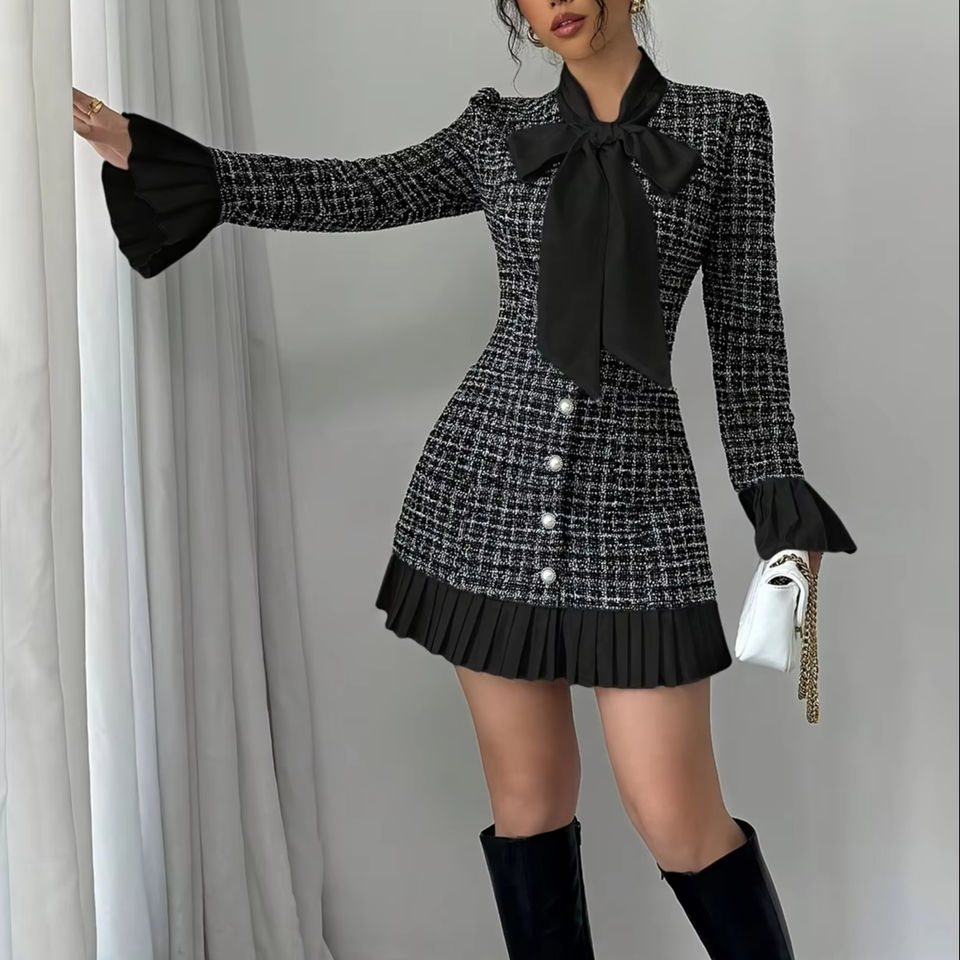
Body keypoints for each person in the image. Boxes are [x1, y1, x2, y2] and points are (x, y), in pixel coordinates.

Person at [75, 2, 857, 957]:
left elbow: (747, 342)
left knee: (680, 819)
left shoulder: (727, 126)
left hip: (639, 514)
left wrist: (782, 511)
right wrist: (157, 158)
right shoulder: (496, 131)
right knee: (529, 803)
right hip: (484, 497)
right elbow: (355, 191)